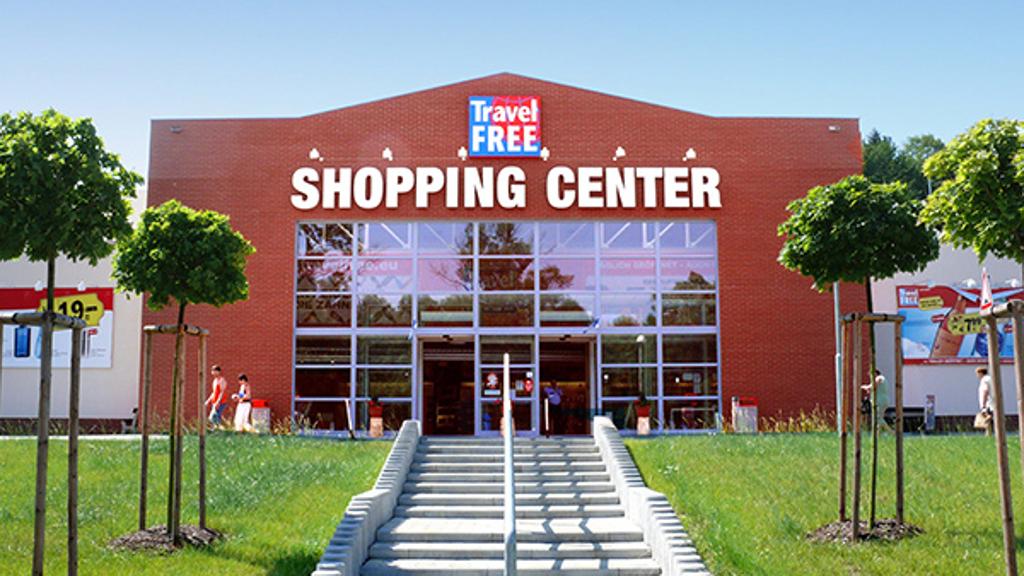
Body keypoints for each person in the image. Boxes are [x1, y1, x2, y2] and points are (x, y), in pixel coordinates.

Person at [976, 366, 994, 435]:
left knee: (987, 417)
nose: (977, 376)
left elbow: (985, 391)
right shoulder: (990, 379)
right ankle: (988, 433)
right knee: (989, 417)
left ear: (981, 373)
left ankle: (988, 433)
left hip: (988, 403)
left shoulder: (984, 380)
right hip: (992, 402)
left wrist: (983, 404)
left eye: (977, 374)